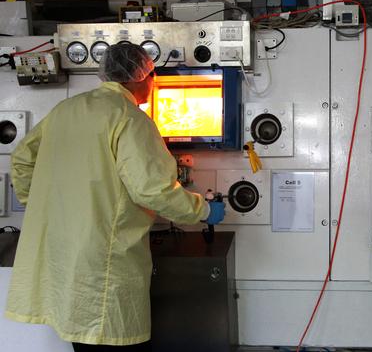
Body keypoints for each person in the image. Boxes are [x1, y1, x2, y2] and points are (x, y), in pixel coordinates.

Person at [4, 43, 225, 352]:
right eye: (152, 75)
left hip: (62, 255)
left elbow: (22, 159)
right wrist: (204, 211)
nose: (153, 82)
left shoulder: (65, 110)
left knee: (82, 340)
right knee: (111, 337)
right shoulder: (129, 118)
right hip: (102, 262)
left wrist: (44, 204)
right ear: (139, 76)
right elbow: (152, 189)